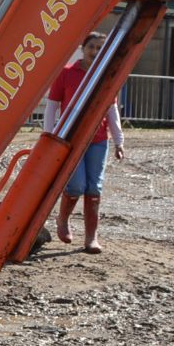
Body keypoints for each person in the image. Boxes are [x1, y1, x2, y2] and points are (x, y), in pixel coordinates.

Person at [43, 33, 125, 253]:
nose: (95, 51)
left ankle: (91, 238)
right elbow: (51, 106)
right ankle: (63, 220)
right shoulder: (67, 73)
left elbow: (112, 109)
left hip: (98, 140)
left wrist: (118, 140)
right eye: (91, 47)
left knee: (94, 188)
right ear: (82, 47)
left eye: (100, 47)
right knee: (76, 185)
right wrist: (48, 136)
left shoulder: (106, 75)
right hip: (70, 140)